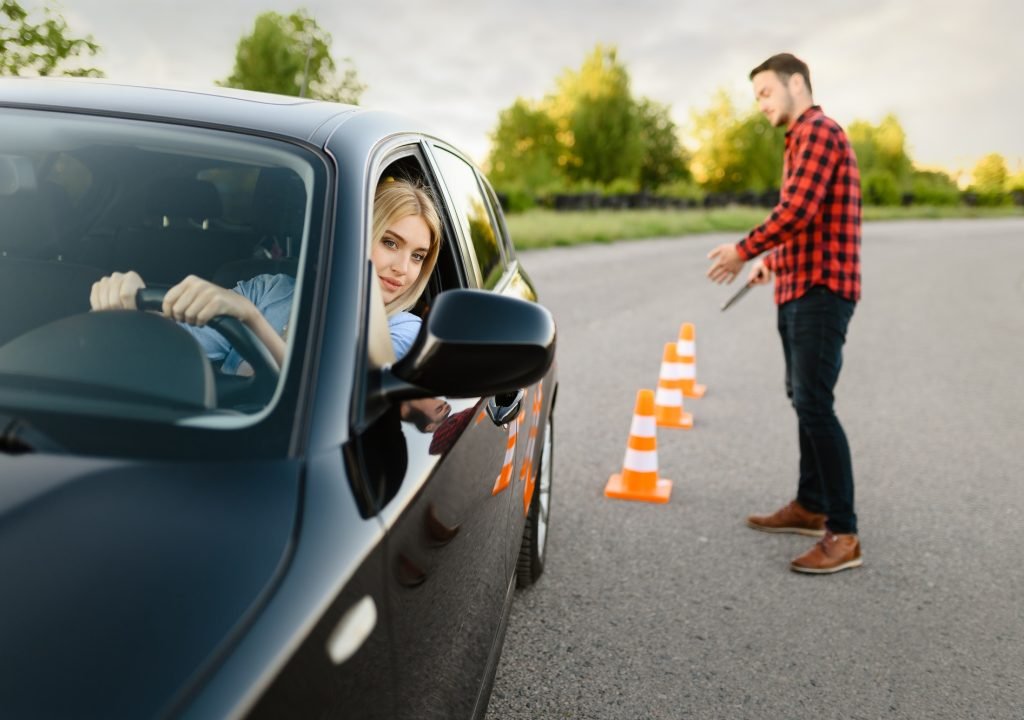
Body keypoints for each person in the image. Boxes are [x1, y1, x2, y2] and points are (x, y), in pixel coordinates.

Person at [706, 53, 863, 575]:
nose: (762, 105)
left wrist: (744, 250)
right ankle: (810, 504)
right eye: (757, 98)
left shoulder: (818, 130)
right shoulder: (799, 140)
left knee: (816, 403)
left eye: (766, 92)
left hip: (821, 291)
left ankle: (843, 533)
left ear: (797, 83)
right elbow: (807, 224)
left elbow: (796, 211)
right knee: (803, 398)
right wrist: (772, 261)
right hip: (799, 284)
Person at [90, 178, 443, 369]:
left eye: (418, 256)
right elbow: (179, 349)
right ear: (358, 234)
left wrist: (252, 320)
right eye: (390, 242)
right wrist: (131, 311)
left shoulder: (406, 331)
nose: (403, 268)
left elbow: (352, 390)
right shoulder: (272, 290)